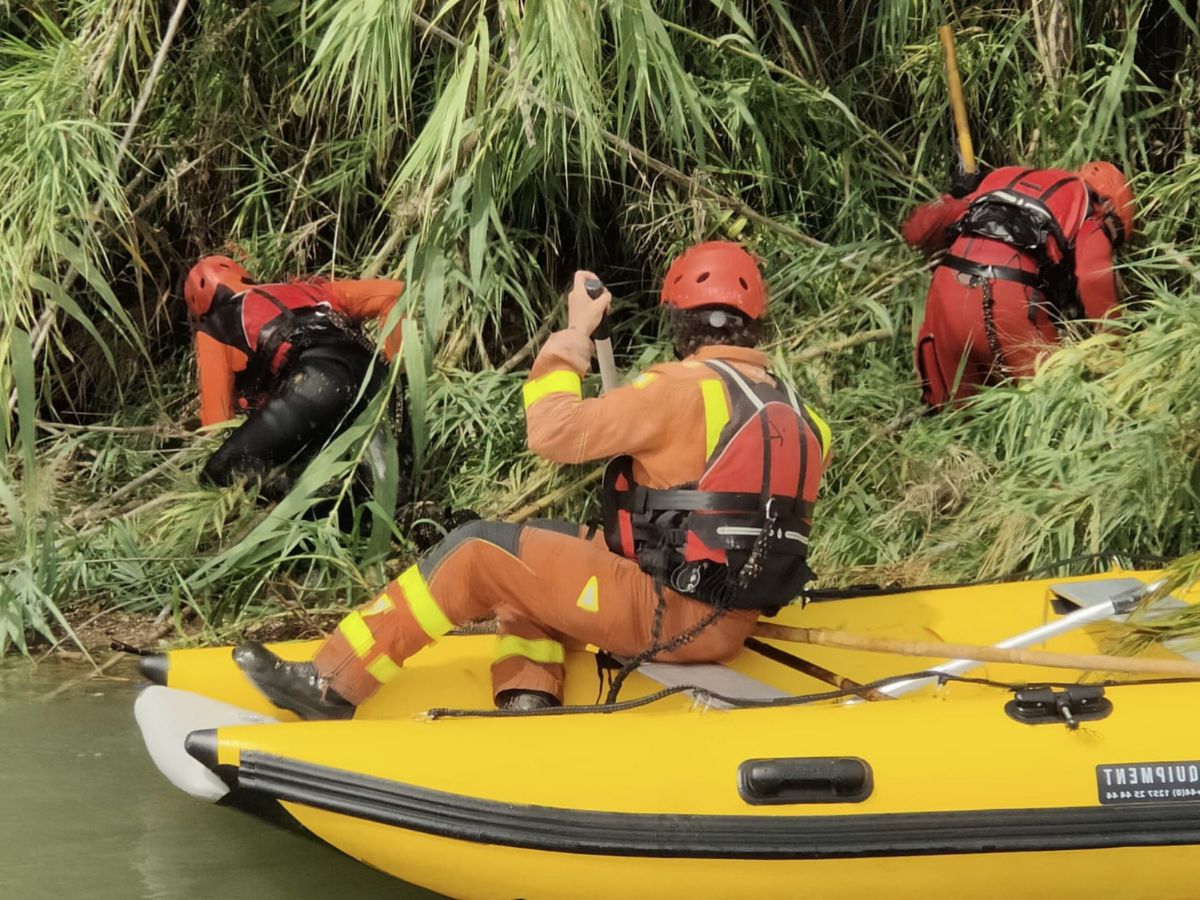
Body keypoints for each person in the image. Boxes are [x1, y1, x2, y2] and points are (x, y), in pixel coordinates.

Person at [233, 241, 831, 718]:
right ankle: (529, 696)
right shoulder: (801, 417)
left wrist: (574, 333)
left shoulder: (678, 389)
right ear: (755, 324)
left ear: (679, 320)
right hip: (727, 619)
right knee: (542, 541)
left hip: (663, 616)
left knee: (475, 551)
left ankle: (330, 684)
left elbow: (552, 431)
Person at [903, 162, 1134, 407]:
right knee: (1057, 406)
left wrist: (955, 196)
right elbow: (1093, 277)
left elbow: (917, 231)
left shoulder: (1000, 179)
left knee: (955, 419)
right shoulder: (1090, 210)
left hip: (945, 291)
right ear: (1110, 206)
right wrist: (1113, 347)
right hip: (1008, 297)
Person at [182, 255, 404, 500]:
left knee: (219, 473)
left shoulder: (216, 327)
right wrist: (397, 364)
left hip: (316, 385)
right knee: (387, 497)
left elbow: (215, 423)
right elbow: (394, 293)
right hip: (377, 381)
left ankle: (302, 500)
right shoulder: (309, 289)